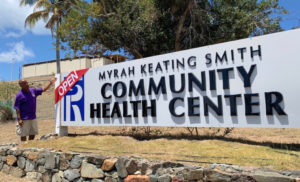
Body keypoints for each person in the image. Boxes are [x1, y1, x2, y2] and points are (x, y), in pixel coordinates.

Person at [14, 77, 57, 141]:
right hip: (24, 119)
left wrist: (50, 83)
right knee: (23, 134)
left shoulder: (33, 91)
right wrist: (19, 119)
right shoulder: (19, 95)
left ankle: (30, 145)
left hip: (33, 117)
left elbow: (43, 89)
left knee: (33, 133)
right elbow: (17, 108)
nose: (27, 84)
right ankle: (23, 147)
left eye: (27, 82)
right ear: (21, 85)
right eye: (25, 83)